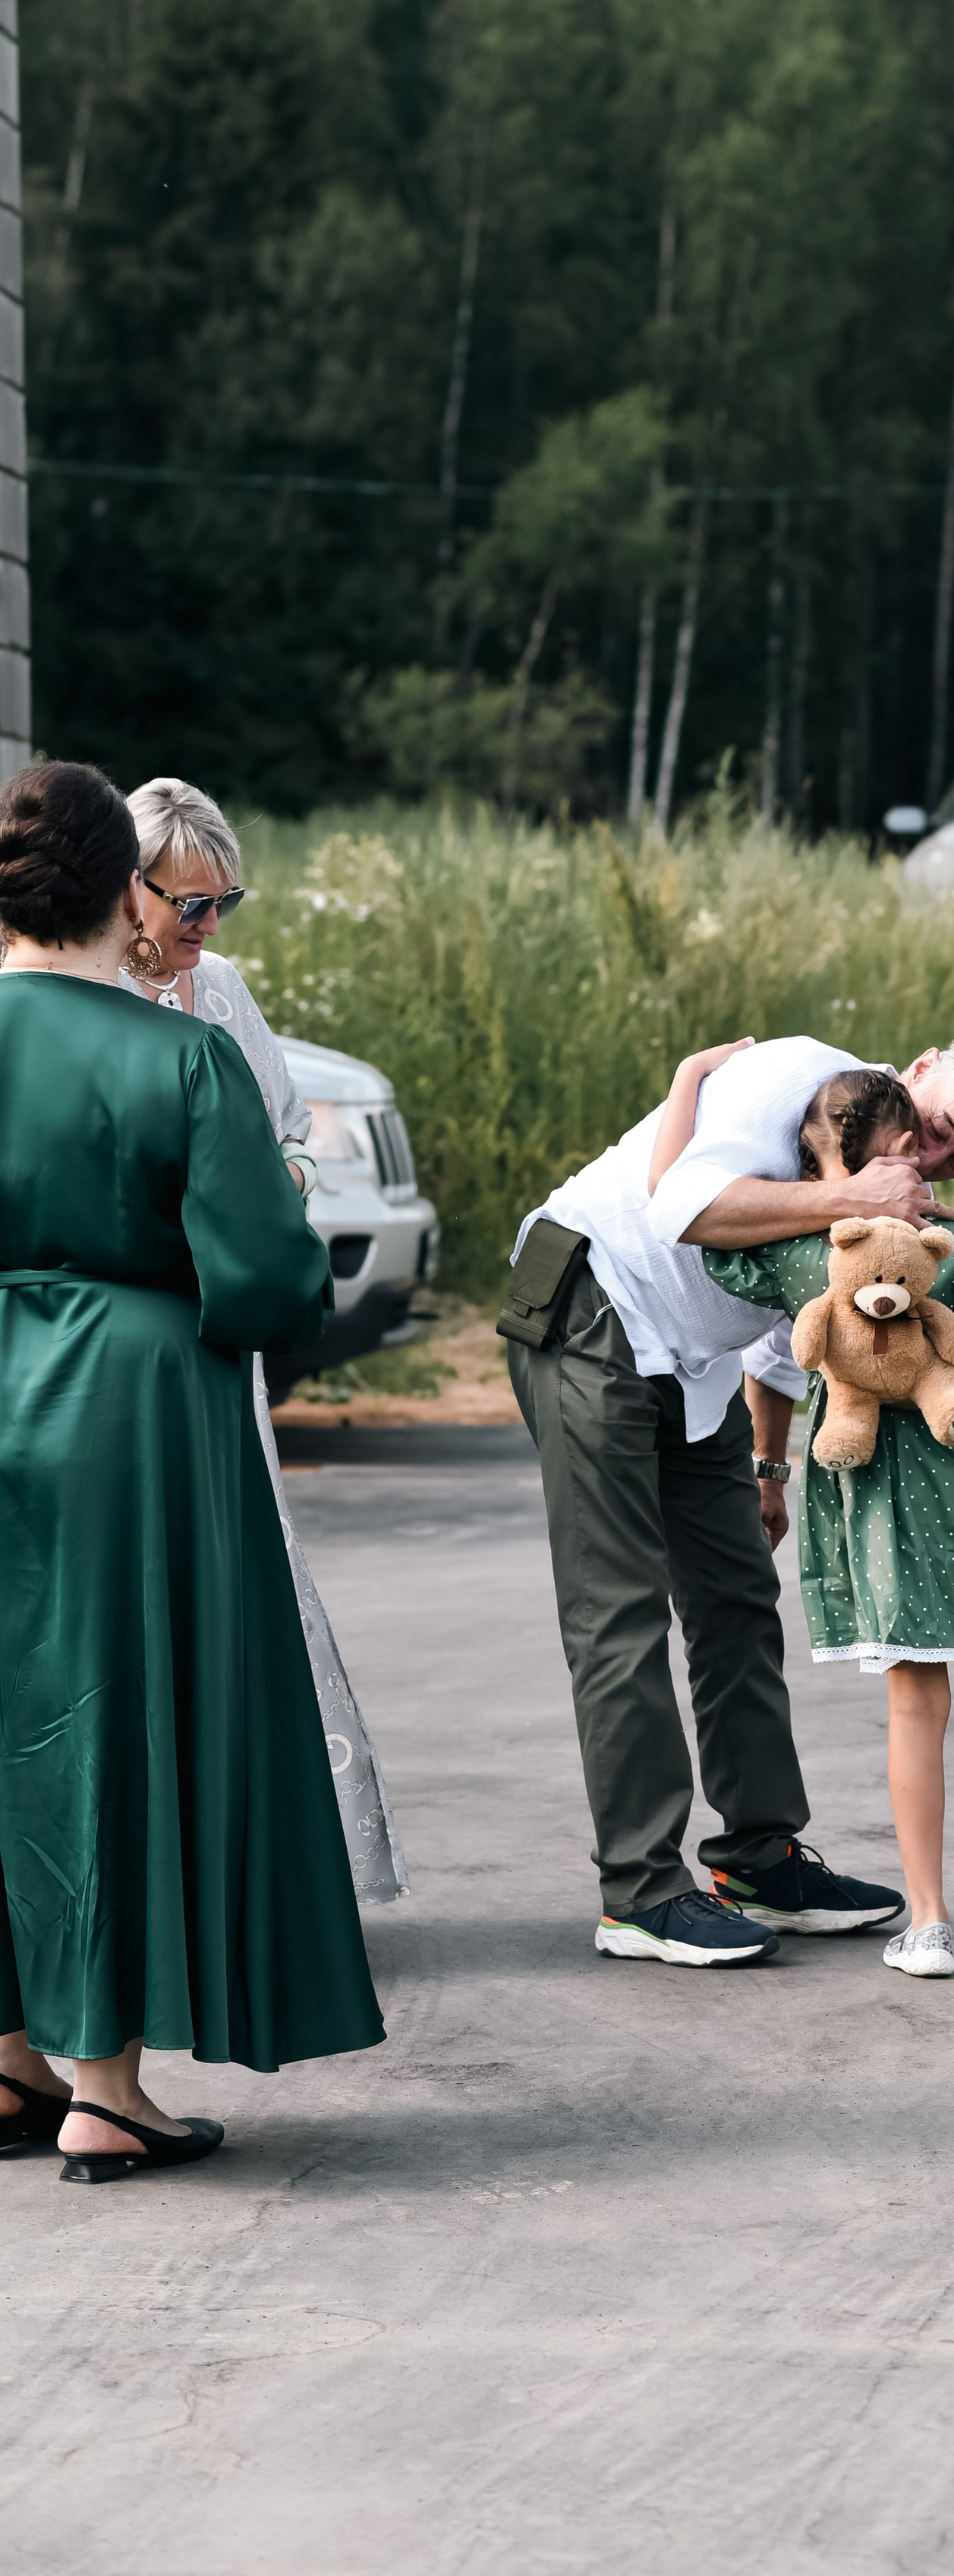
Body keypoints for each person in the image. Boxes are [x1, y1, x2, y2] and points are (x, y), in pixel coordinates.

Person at [0, 763, 383, 2181]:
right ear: (123, 888)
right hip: (130, 1408)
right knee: (111, 1715)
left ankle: (10, 2059)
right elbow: (273, 1278)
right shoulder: (175, 1054)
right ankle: (106, 2088)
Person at [501, 1027, 954, 1969]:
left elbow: (795, 1321)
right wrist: (853, 1195)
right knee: (620, 1613)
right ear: (919, 1069)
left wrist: (767, 1465)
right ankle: (640, 1892)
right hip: (595, 1302)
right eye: (940, 1129)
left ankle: (759, 1861)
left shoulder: (876, 1173)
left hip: (695, 1358)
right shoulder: (797, 1076)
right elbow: (680, 1205)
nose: (935, 1161)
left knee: (739, 1598)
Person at [689, 1068, 954, 1979]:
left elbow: (697, 1231)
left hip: (888, 1498)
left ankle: (927, 1922)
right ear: (899, 1152)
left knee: (915, 1701)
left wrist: (704, 1090)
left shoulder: (811, 1255)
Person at [115, 775, 408, 1904]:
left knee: (248, 1570)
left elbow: (288, 1126)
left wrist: (274, 1186)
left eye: (223, 901)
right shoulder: (84, 990)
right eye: (187, 903)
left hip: (221, 1326)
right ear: (127, 888)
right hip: (130, 1326)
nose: (207, 924)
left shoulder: (223, 989)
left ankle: (263, 1863)